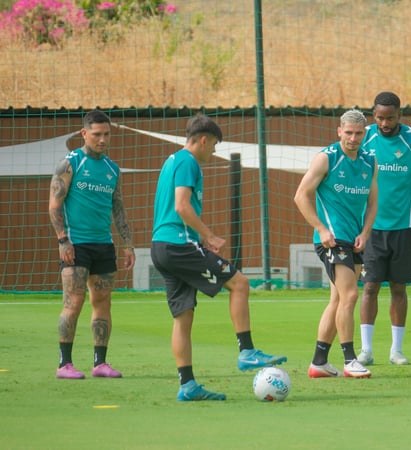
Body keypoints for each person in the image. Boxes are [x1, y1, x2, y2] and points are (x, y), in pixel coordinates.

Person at [151, 114, 286, 401]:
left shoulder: (172, 161)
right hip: (178, 245)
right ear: (203, 140)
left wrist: (200, 239)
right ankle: (247, 351)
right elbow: (182, 206)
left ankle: (188, 386)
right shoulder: (188, 162)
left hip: (162, 246)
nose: (213, 151)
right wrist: (208, 236)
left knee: (183, 318)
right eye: (213, 144)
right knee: (240, 284)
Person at [48, 109, 134, 380]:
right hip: (76, 245)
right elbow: (54, 204)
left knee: (103, 302)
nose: (102, 139)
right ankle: (64, 364)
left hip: (103, 245)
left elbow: (118, 207)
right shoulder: (70, 164)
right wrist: (63, 240)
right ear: (84, 133)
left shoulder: (112, 169)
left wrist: (128, 244)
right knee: (73, 301)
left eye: (106, 134)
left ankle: (100, 363)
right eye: (97, 134)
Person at [295, 109, 378, 379]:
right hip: (332, 239)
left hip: (354, 239)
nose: (353, 138)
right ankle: (350, 359)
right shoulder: (326, 158)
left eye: (358, 133)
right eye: (348, 133)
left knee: (338, 299)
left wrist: (365, 232)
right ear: (339, 131)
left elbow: (373, 202)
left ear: (365, 134)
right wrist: (321, 229)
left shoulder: (369, 161)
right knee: (350, 296)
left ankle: (319, 362)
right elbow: (301, 196)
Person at [356, 92, 411, 366]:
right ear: (373, 116)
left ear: (400, 114)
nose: (385, 123)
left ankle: (396, 351)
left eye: (390, 118)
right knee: (370, 287)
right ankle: (366, 350)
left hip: (403, 226)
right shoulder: (363, 138)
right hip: (371, 228)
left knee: (399, 288)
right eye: (380, 118)